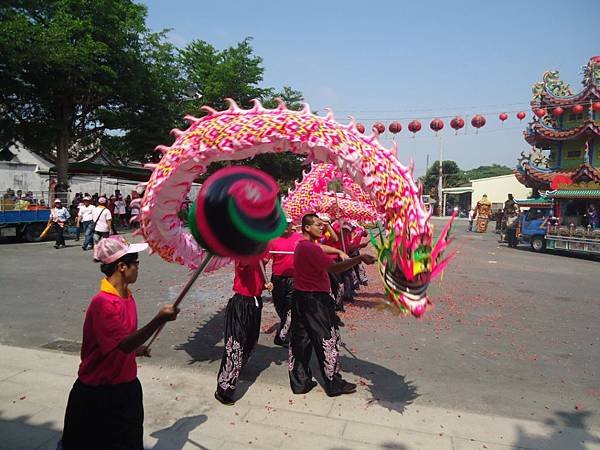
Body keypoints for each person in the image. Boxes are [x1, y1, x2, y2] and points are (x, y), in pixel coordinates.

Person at [58, 236, 179, 450]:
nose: (138, 268)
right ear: (122, 266)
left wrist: (137, 349)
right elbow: (122, 344)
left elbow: (122, 343)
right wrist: (158, 319)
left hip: (126, 385)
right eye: (136, 263)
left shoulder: (127, 297)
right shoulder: (103, 304)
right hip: (99, 393)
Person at [288, 213, 376, 397]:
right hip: (315, 302)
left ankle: (300, 382)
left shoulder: (304, 245)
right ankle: (333, 384)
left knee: (301, 341)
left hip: (301, 299)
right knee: (327, 340)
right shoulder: (310, 249)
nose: (323, 227)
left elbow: (322, 248)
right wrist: (359, 259)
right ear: (307, 227)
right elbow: (333, 268)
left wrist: (338, 251)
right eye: (318, 225)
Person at [215, 257, 273, 406]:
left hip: (255, 303)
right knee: (235, 346)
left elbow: (257, 276)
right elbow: (245, 263)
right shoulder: (244, 254)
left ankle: (238, 368)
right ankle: (224, 389)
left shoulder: (260, 253)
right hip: (241, 304)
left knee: (250, 341)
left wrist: (267, 285)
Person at [265, 218, 303, 347]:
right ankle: (285, 329)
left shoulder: (300, 238)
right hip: (278, 279)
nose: (286, 226)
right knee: (280, 307)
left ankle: (282, 337)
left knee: (290, 308)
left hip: (295, 278)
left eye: (288, 223)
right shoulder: (272, 240)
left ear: (292, 224)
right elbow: (264, 261)